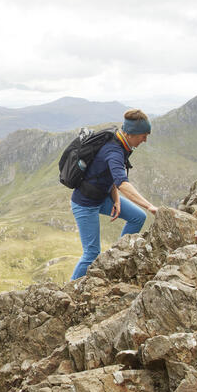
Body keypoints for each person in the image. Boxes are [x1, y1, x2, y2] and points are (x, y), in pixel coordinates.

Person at [70, 109, 159, 280]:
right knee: (91, 253)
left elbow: (108, 176)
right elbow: (123, 183)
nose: (145, 140)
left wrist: (116, 200)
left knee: (138, 217)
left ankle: (117, 258)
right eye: (143, 136)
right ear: (132, 134)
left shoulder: (122, 144)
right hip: (84, 203)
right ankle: (69, 291)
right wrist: (148, 206)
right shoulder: (114, 151)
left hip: (102, 197)